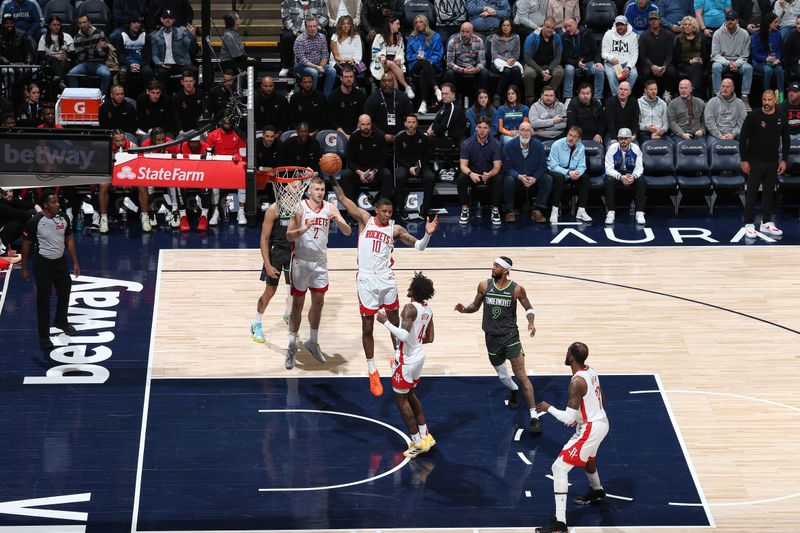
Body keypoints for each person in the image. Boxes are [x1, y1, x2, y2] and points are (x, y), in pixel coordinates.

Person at [328, 170, 439, 397]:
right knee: (367, 326)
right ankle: (372, 371)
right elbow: (342, 198)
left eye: (390, 211)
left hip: (387, 280)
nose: (387, 214)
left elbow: (419, 246)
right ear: (376, 210)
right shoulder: (365, 220)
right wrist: (331, 177)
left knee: (395, 322)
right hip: (366, 280)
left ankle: (398, 358)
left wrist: (427, 235)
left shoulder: (395, 229)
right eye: (384, 211)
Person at [454, 256, 543, 435]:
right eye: (493, 265)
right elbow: (475, 306)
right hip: (491, 339)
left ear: (506, 270)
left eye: (496, 266)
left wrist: (531, 322)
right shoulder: (484, 286)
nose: (492, 268)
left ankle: (534, 417)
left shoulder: (516, 290)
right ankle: (513, 390)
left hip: (511, 337)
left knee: (521, 375)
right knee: (503, 376)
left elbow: (529, 308)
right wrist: (464, 309)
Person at [534, 342, 610, 533]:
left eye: (567, 351)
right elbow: (602, 399)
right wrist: (586, 415)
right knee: (588, 459)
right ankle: (597, 491)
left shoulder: (576, 382)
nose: (565, 353)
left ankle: (560, 524)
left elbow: (568, 419)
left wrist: (547, 408)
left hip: (590, 428)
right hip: (601, 421)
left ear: (571, 357)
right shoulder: (591, 371)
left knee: (558, 467)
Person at [284, 177, 352, 366]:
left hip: (320, 263)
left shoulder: (330, 208)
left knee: (319, 303)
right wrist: (304, 227)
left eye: (322, 189)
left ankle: (313, 341)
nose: (320, 192)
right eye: (316, 189)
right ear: (309, 191)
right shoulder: (299, 207)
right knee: (297, 305)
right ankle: (291, 346)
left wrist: (338, 219)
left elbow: (348, 232)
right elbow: (288, 235)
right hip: (300, 262)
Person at [376, 271, 436, 459]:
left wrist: (384, 321)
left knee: (401, 401)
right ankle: (425, 434)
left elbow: (402, 335)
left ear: (413, 291)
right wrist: (413, 343)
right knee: (410, 394)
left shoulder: (410, 309)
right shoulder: (428, 309)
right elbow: (430, 338)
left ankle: (417, 443)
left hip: (407, 361)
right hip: (418, 357)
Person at [20, 189, 80, 351]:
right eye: (53, 202)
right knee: (43, 300)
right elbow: (26, 245)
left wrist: (75, 262)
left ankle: (61, 321)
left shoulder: (63, 217)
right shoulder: (36, 221)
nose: (57, 204)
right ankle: (44, 336)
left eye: (58, 201)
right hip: (43, 264)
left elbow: (69, 239)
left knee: (65, 292)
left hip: (60, 263)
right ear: (45, 205)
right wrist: (24, 267)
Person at [740, 90, 788, 237]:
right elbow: (742, 139)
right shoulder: (753, 116)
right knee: (752, 193)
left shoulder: (781, 117)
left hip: (772, 162)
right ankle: (748, 223)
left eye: (769, 100)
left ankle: (766, 222)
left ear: (775, 101)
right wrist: (744, 160)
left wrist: (784, 160)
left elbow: (786, 140)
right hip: (754, 162)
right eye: (764, 100)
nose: (767, 103)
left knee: (768, 193)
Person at [252, 201, 294, 351]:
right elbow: (263, 239)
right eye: (292, 184)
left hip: (293, 252)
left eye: (298, 185)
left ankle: (288, 315)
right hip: (276, 252)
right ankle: (256, 323)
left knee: (293, 293)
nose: (296, 187)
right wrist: (268, 264)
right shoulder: (274, 209)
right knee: (270, 291)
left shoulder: (302, 207)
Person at [457, 116, 504, 225]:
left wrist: (490, 174)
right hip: (473, 174)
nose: (482, 130)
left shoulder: (496, 144)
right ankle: (465, 209)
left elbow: (497, 167)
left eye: (485, 127)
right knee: (461, 178)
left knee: (498, 178)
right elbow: (463, 166)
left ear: (489, 129)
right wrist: (471, 173)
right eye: (480, 127)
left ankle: (495, 210)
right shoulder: (467, 144)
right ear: (476, 128)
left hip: (489, 175)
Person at [503, 121, 552, 223]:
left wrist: (535, 177)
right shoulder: (508, 146)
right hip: (517, 178)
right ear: (518, 132)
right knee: (508, 179)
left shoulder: (538, 146)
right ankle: (509, 210)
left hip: (533, 178)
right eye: (522, 130)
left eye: (528, 130)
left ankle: (537, 210)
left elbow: (542, 166)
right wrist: (519, 176)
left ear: (531, 133)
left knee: (547, 179)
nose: (525, 133)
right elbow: (507, 168)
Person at [206, 115, 248, 225]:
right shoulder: (212, 135)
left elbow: (244, 154)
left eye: (230, 120)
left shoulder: (239, 134)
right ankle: (215, 212)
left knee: (243, 179)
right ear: (219, 121)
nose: (227, 122)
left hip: (235, 166)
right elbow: (207, 154)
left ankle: (241, 211)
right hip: (218, 167)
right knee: (213, 183)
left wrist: (239, 156)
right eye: (224, 119)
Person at [394, 114, 436, 218]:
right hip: (405, 166)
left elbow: (427, 155)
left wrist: (419, 166)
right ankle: (402, 209)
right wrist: (409, 167)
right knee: (399, 177)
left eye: (413, 122)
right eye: (409, 122)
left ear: (417, 124)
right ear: (405, 124)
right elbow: (399, 157)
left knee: (430, 177)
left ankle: (424, 209)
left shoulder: (423, 138)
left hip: (421, 165)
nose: (411, 125)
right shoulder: (399, 138)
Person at [547, 126, 591, 223]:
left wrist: (577, 173)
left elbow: (582, 166)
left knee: (585, 178)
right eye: (570, 135)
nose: (571, 138)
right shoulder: (557, 145)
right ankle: (554, 210)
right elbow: (553, 165)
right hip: (556, 172)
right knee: (560, 177)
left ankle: (581, 210)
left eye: (574, 136)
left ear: (579, 139)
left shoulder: (581, 147)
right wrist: (568, 172)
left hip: (572, 173)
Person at [710, 11, 752, 110]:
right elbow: (715, 55)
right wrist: (728, 63)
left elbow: (745, 55)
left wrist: (737, 63)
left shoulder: (744, 34)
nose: (730, 22)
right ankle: (717, 96)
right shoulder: (717, 33)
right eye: (728, 19)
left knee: (748, 68)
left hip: (738, 62)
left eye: (732, 20)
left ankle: (744, 97)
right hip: (723, 62)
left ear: (737, 21)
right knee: (715, 66)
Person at [604, 127, 646, 224]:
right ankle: (610, 212)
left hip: (631, 173)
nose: (623, 141)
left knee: (641, 180)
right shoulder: (612, 148)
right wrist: (620, 177)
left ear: (630, 139)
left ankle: (639, 212)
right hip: (617, 173)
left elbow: (639, 168)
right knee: (609, 180)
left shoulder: (636, 149)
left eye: (625, 138)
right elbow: (609, 169)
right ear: (618, 139)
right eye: (621, 138)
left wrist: (634, 176)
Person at [405, 14, 444, 115]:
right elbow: (408, 55)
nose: (418, 24)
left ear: (425, 22)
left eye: (420, 21)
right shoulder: (412, 37)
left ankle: (423, 102)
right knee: (423, 63)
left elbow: (438, 53)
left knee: (424, 71)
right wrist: (416, 57)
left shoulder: (435, 36)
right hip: (415, 64)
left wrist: (431, 61)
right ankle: (436, 89)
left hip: (432, 65)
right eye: (416, 22)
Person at [279, 0, 327, 77]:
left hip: (314, 28)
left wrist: (316, 28)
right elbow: (286, 19)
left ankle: (323, 64)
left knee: (324, 35)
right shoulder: (287, 2)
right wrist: (296, 32)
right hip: (294, 29)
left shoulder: (320, 1)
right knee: (286, 37)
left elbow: (325, 16)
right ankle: (286, 66)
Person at [561, 17, 604, 102]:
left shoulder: (588, 33)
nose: (567, 29)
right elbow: (565, 57)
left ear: (576, 24)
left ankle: (598, 98)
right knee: (568, 69)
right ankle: (568, 98)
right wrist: (577, 63)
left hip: (588, 63)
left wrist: (598, 62)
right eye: (565, 27)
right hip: (574, 64)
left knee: (600, 70)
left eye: (569, 26)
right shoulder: (564, 37)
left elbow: (595, 51)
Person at [523, 17, 564, 103]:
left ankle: (548, 97)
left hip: (550, 65)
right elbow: (528, 58)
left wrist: (549, 69)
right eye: (547, 27)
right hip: (534, 64)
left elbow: (558, 57)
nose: (550, 30)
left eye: (552, 28)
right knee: (528, 73)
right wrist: (541, 71)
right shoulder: (532, 37)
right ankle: (530, 100)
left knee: (560, 72)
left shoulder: (557, 38)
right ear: (543, 26)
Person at [67, 14, 111, 95]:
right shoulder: (77, 37)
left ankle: (102, 98)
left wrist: (85, 50)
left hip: (99, 63)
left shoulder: (99, 33)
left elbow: (103, 53)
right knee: (71, 74)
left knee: (106, 74)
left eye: (84, 22)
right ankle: (75, 97)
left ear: (89, 22)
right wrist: (95, 49)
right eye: (80, 23)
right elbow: (80, 57)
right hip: (84, 64)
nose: (82, 25)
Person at [150, 9, 196, 87]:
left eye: (170, 18)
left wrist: (192, 36)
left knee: (193, 70)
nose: (168, 20)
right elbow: (154, 55)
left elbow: (189, 46)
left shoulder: (181, 32)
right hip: (165, 65)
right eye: (165, 18)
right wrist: (159, 63)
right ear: (161, 19)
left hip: (180, 63)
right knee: (161, 73)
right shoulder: (155, 36)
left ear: (174, 20)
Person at [371, 16, 414, 98]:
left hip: (395, 64)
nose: (399, 26)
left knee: (391, 74)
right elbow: (374, 53)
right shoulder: (379, 37)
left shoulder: (399, 37)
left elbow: (401, 52)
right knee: (389, 63)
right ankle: (406, 86)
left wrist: (399, 60)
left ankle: (395, 100)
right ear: (390, 24)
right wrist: (382, 56)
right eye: (397, 24)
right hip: (382, 63)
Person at [364, 71, 413, 143]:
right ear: (380, 83)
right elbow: (368, 121)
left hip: (401, 137)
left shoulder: (403, 97)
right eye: (384, 81)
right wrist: (382, 135)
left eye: (389, 81)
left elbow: (411, 117)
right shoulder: (372, 99)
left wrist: (401, 134)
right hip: (378, 137)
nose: (387, 83)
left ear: (394, 82)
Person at [112, 15, 153, 98]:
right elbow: (120, 56)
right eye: (134, 22)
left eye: (138, 23)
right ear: (129, 24)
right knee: (123, 72)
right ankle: (126, 99)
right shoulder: (122, 37)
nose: (137, 25)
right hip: (127, 63)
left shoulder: (146, 37)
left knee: (148, 72)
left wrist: (140, 65)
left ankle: (146, 98)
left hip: (142, 63)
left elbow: (148, 55)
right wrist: (130, 65)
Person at [638, 12, 677, 100]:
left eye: (655, 19)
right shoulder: (643, 36)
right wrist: (651, 66)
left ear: (660, 20)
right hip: (650, 64)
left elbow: (670, 54)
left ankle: (668, 92)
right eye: (651, 19)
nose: (653, 21)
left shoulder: (669, 35)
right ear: (648, 21)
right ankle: (646, 92)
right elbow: (643, 55)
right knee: (645, 73)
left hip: (664, 63)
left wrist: (665, 66)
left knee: (672, 72)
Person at [445, 22, 488, 102]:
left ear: (472, 32)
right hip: (458, 68)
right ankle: (454, 101)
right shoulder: (453, 41)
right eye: (462, 31)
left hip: (474, 67)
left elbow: (482, 61)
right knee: (450, 73)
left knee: (484, 73)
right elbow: (449, 62)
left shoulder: (479, 41)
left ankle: (481, 100)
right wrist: (462, 70)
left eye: (467, 32)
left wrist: (476, 69)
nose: (464, 34)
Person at [294, 17, 336, 97]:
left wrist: (321, 66)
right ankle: (313, 96)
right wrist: (317, 68)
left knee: (332, 71)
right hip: (302, 66)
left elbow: (325, 55)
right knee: (313, 72)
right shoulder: (299, 40)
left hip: (319, 64)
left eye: (314, 26)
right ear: (306, 28)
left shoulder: (322, 37)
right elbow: (302, 60)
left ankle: (325, 97)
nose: (312, 28)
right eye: (310, 26)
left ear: (317, 27)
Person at [602, 16, 639, 97]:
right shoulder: (608, 34)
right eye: (618, 24)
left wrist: (629, 67)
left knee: (634, 74)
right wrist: (612, 58)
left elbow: (634, 55)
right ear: (615, 25)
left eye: (622, 25)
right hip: (611, 64)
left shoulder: (633, 36)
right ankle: (616, 97)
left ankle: (625, 95)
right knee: (612, 76)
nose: (619, 27)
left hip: (626, 63)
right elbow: (604, 53)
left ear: (626, 25)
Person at [751, 13, 784, 98]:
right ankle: (767, 97)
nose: (778, 24)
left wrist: (777, 59)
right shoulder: (757, 35)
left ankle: (781, 97)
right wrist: (766, 59)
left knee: (779, 70)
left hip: (773, 61)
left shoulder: (777, 33)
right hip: (759, 61)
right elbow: (755, 54)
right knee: (768, 70)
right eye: (775, 22)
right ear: (769, 23)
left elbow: (779, 50)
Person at [703, 76, 746, 143]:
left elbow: (742, 122)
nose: (724, 89)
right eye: (723, 86)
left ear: (733, 88)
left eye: (727, 87)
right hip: (715, 135)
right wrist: (720, 136)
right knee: (713, 144)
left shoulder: (740, 103)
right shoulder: (712, 102)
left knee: (747, 141)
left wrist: (733, 134)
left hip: (735, 134)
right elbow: (709, 123)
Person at [491, 17, 523, 106]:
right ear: (501, 27)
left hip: (512, 60)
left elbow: (517, 54)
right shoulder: (495, 37)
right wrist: (506, 60)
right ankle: (497, 96)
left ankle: (516, 97)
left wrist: (513, 60)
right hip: (498, 61)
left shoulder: (516, 37)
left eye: (508, 25)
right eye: (503, 25)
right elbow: (494, 54)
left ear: (511, 27)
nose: (505, 27)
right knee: (507, 70)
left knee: (516, 70)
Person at [328, 65, 366, 139]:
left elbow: (362, 116)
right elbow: (331, 120)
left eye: (351, 77)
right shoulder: (333, 96)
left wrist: (355, 133)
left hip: (357, 132)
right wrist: (345, 136)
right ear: (341, 78)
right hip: (338, 133)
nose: (349, 79)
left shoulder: (360, 94)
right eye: (346, 77)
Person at [674, 16, 708, 94]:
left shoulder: (700, 37)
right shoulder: (679, 38)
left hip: (699, 63)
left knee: (697, 65)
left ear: (694, 27)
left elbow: (705, 54)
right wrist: (690, 61)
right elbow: (677, 57)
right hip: (684, 65)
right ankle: (694, 92)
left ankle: (691, 91)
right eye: (685, 24)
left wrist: (700, 59)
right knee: (696, 66)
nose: (687, 26)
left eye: (689, 25)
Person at [37, 15, 73, 87]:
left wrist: (67, 50)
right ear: (49, 26)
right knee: (53, 59)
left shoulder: (67, 36)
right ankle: (60, 79)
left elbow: (74, 55)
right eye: (54, 25)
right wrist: (55, 57)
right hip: (49, 64)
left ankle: (58, 78)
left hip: (64, 63)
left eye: (58, 25)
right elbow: (40, 55)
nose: (56, 27)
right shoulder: (44, 37)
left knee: (63, 63)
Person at [330, 15, 365, 83]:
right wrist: (344, 60)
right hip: (338, 62)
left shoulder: (356, 37)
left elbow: (358, 54)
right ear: (340, 25)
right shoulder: (334, 37)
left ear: (351, 25)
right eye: (343, 24)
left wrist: (353, 60)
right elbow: (335, 56)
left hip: (353, 62)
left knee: (358, 67)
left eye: (348, 23)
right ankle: (354, 87)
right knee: (346, 69)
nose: (346, 26)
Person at [604, 80, 639, 145]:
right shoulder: (610, 101)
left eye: (625, 90)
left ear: (629, 92)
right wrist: (614, 138)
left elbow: (635, 121)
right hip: (613, 134)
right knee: (611, 147)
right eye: (621, 89)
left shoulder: (634, 102)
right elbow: (610, 121)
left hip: (628, 134)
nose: (622, 91)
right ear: (617, 90)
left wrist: (634, 134)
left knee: (635, 147)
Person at [170, 70, 204, 135]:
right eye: (186, 81)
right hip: (183, 130)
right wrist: (180, 130)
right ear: (182, 82)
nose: (188, 84)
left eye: (190, 81)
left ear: (194, 81)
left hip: (198, 128)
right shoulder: (177, 97)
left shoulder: (200, 93)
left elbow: (204, 111)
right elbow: (176, 116)